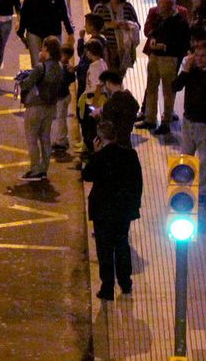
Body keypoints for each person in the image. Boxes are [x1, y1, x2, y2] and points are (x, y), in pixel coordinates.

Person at [82, 120, 143, 301]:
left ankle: (107, 287)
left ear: (99, 138)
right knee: (122, 245)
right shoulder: (130, 155)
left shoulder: (100, 157)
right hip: (123, 210)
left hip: (102, 211)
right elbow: (137, 182)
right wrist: (134, 204)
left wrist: (94, 153)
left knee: (105, 249)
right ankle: (125, 282)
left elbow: (87, 175)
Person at [173, 40, 206, 202]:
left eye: (203, 56)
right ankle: (184, 187)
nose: (199, 59)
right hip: (189, 121)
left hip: (205, 125)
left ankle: (204, 192)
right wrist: (185, 71)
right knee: (186, 156)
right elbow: (175, 86)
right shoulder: (192, 71)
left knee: (205, 161)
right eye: (196, 55)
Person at [140, 0, 190, 135]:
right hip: (155, 57)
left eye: (162, 10)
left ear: (169, 8)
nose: (159, 12)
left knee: (168, 92)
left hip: (169, 59)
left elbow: (183, 44)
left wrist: (165, 46)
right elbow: (155, 30)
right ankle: (149, 119)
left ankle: (166, 121)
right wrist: (154, 39)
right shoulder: (162, 18)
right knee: (151, 87)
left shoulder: (180, 22)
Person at [18, 36, 66, 182]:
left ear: (47, 49)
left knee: (32, 138)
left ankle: (35, 169)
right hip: (50, 106)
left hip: (35, 106)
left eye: (43, 48)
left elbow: (26, 84)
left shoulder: (41, 67)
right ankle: (44, 168)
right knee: (45, 138)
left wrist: (21, 79)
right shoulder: (60, 67)